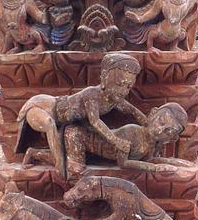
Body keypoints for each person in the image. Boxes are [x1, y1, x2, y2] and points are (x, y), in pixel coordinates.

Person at [15, 53, 148, 178]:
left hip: (63, 121)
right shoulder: (92, 94)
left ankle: (33, 153)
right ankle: (58, 164)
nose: (123, 91)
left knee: (71, 151)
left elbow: (133, 111)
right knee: (50, 125)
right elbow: (95, 121)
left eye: (128, 87)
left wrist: (149, 125)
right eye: (119, 84)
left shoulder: (114, 99)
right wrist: (116, 141)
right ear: (104, 78)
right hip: (43, 106)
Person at [23, 102, 193, 176]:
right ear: (153, 113)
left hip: (96, 152)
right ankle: (35, 154)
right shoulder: (133, 132)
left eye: (168, 132)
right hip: (78, 136)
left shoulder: (152, 144)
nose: (160, 130)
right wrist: (155, 169)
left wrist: (175, 163)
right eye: (161, 122)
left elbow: (152, 160)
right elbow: (123, 164)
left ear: (172, 138)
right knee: (76, 170)